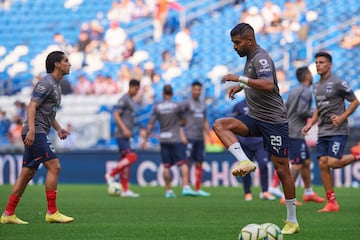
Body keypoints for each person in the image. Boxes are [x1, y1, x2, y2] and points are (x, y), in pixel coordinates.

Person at [212, 23, 299, 234]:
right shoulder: (250, 59)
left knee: (282, 170)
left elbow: (268, 85)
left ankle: (292, 221)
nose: (234, 47)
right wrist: (241, 86)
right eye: (233, 42)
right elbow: (256, 80)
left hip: (274, 121)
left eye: (237, 42)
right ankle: (244, 160)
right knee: (220, 124)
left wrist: (238, 78)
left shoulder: (260, 57)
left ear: (249, 41)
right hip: (255, 117)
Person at [1, 51, 74, 224]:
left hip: (39, 130)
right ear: (56, 64)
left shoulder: (56, 85)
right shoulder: (47, 82)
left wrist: (58, 129)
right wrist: (32, 130)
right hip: (36, 131)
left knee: (27, 173)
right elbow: (32, 106)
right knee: (55, 167)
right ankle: (52, 212)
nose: (69, 64)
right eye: (66, 61)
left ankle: (8, 214)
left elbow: (48, 112)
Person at [302, 51, 360, 212]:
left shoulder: (338, 83)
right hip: (323, 130)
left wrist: (342, 117)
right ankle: (332, 203)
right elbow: (319, 109)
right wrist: (311, 124)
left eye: (321, 62)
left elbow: (355, 101)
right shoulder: (316, 85)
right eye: (316, 63)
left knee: (333, 162)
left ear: (329, 65)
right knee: (322, 164)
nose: (318, 65)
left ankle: (357, 154)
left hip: (338, 129)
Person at [277, 66, 325, 205]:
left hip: (291, 129)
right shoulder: (305, 92)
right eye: (310, 74)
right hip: (295, 132)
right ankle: (286, 196)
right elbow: (301, 112)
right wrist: (318, 112)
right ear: (307, 76)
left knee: (306, 162)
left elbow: (286, 109)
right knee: (297, 163)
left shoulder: (294, 90)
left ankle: (308, 192)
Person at [141, 84, 197, 198]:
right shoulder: (176, 106)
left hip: (164, 138)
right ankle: (185, 186)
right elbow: (183, 121)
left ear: (163, 94)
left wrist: (145, 139)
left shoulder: (157, 107)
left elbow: (151, 124)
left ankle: (168, 191)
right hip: (175, 138)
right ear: (172, 94)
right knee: (183, 163)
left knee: (166, 166)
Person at [232, 99, 275, 201]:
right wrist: (237, 139)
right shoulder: (238, 106)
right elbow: (233, 123)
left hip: (260, 142)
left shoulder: (261, 103)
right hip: (245, 142)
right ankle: (247, 193)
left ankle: (265, 191)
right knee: (246, 168)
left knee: (263, 165)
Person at [105, 79, 141, 198]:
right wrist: (125, 129)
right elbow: (116, 114)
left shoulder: (131, 100)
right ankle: (111, 173)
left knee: (126, 163)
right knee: (132, 156)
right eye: (135, 89)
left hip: (127, 135)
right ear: (131, 87)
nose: (136, 91)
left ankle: (125, 190)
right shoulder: (124, 99)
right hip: (122, 134)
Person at [181, 81, 213, 197]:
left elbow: (204, 120)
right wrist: (182, 134)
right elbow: (180, 119)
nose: (197, 92)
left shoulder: (202, 104)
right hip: (190, 137)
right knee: (187, 162)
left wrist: (209, 134)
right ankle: (186, 186)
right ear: (191, 90)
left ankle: (198, 188)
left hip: (200, 138)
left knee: (199, 162)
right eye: (195, 90)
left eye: (199, 90)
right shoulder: (186, 104)